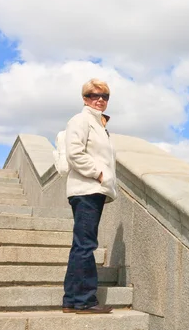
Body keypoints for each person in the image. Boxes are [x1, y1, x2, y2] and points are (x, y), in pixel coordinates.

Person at [62, 78, 116, 314]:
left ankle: (72, 300)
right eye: (95, 95)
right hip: (86, 189)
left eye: (104, 96)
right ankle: (84, 299)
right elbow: (74, 153)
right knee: (86, 245)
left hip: (93, 190)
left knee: (81, 245)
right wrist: (99, 174)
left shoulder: (100, 125)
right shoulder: (81, 120)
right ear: (85, 98)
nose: (100, 100)